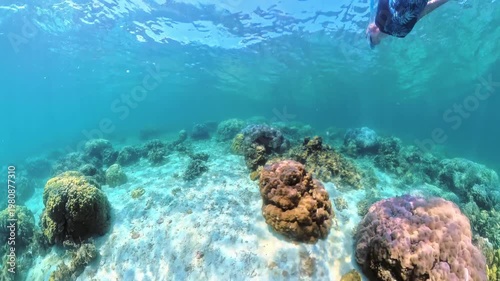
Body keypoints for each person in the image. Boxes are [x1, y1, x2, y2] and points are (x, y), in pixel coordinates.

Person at [367, 0, 449, 48]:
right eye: (369, 36)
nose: (368, 30)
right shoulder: (383, 22)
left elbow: (425, 10)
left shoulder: (401, 32)